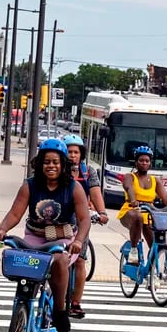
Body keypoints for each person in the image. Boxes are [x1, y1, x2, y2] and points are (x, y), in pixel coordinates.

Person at [0, 139, 91, 332]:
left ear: (63, 164)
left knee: (60, 260)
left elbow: (84, 218)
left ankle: (59, 311)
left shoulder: (74, 188)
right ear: (39, 164)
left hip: (63, 240)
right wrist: (2, 229)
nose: (51, 166)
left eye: (55, 162)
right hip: (34, 237)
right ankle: (19, 326)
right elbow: (14, 213)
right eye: (46, 162)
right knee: (24, 272)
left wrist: (79, 240)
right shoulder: (29, 186)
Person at [64, 133, 108, 318]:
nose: (73, 155)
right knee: (60, 260)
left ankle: (75, 302)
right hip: (62, 220)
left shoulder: (89, 171)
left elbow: (95, 193)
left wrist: (102, 212)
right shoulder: (58, 169)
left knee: (80, 260)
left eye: (76, 152)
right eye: (69, 151)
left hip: (82, 220)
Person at [117, 145, 167, 264]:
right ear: (136, 162)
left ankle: (152, 268)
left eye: (147, 161)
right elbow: (129, 187)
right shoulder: (130, 177)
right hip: (130, 212)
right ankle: (134, 249)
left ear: (150, 163)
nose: (144, 163)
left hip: (148, 213)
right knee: (137, 217)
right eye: (141, 160)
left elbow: (165, 197)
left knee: (155, 243)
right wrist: (133, 200)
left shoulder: (155, 180)